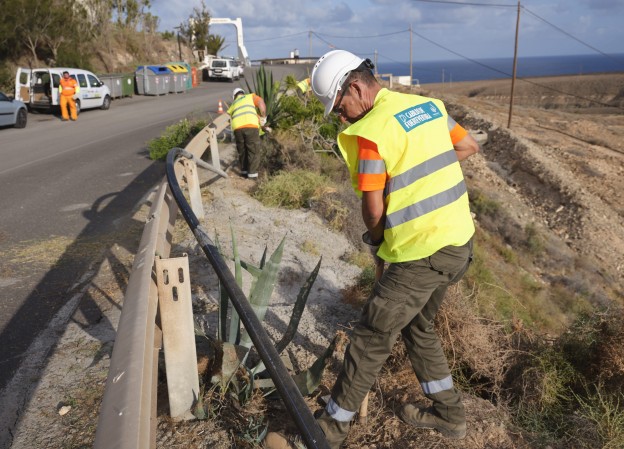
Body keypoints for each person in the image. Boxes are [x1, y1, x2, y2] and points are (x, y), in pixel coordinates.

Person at [265, 49, 480, 449]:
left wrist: (379, 244)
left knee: (370, 338)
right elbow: (467, 147)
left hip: (420, 254)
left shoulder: (370, 132)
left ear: (356, 87)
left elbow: (373, 209)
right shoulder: (428, 107)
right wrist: (421, 174)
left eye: (340, 106)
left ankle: (327, 432)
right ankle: (449, 415)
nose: (341, 116)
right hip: (458, 245)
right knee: (418, 327)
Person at [227, 87, 267, 179]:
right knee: (253, 151)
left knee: (242, 150)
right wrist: (263, 117)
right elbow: (260, 102)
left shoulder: (234, 103)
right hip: (250, 126)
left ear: (234, 96)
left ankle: (244, 172)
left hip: (237, 128)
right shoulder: (250, 96)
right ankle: (252, 176)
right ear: (243, 93)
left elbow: (228, 116)